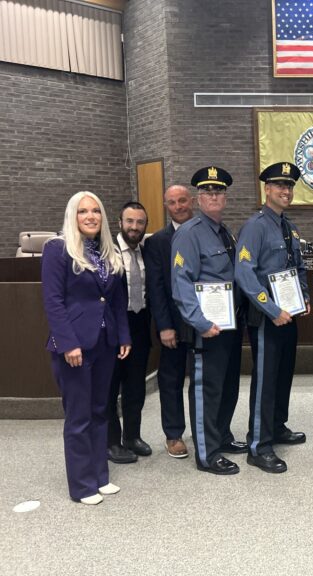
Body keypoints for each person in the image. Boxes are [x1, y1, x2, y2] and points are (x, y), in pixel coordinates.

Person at [42, 191, 131, 504]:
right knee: (78, 417)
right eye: (83, 211)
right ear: (72, 215)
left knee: (99, 411)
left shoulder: (107, 251)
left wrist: (123, 336)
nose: (91, 216)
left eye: (95, 211)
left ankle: (99, 476)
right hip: (74, 346)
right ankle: (82, 486)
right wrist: (68, 343)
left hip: (105, 344)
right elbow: (53, 301)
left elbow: (117, 299)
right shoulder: (57, 248)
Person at [171, 166, 247, 475]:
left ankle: (222, 436)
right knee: (207, 389)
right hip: (207, 328)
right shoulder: (190, 233)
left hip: (229, 325)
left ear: (225, 197)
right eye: (207, 192)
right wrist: (199, 321)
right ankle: (207, 453)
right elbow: (181, 281)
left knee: (228, 386)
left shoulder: (224, 231)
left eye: (218, 192)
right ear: (198, 198)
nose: (213, 197)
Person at [235, 162, 309, 474]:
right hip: (267, 318)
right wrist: (271, 309)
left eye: (290, 186)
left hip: (289, 315)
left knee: (282, 376)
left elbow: (298, 267)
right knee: (265, 381)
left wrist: (303, 296)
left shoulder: (287, 226)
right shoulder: (256, 226)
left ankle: (277, 427)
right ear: (267, 190)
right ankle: (258, 445)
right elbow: (244, 272)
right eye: (280, 186)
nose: (286, 191)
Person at [144, 184, 196, 459]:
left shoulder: (208, 233)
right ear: (166, 206)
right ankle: (174, 434)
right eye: (172, 202)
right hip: (173, 325)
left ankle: (205, 430)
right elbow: (156, 287)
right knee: (172, 380)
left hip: (204, 323)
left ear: (192, 201)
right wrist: (164, 325)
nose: (178, 206)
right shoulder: (157, 242)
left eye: (183, 200)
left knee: (203, 380)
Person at [107, 201, 152, 464]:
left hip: (140, 325)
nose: (134, 227)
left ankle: (132, 437)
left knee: (136, 386)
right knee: (110, 388)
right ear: (120, 222)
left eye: (140, 222)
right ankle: (112, 441)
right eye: (130, 221)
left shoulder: (146, 251)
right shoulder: (107, 252)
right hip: (113, 327)